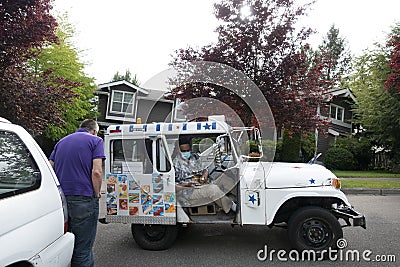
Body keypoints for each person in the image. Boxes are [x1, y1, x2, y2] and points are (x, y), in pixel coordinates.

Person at [49, 119, 105, 267]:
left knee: (67, 243)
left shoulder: (61, 142)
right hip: (84, 198)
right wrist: (97, 193)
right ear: (94, 131)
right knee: (83, 249)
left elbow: (49, 166)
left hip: (61, 199)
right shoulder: (96, 141)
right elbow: (97, 172)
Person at [173, 140, 236, 214]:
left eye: (188, 150)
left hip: (202, 182)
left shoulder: (194, 157)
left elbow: (204, 169)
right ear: (178, 150)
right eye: (183, 151)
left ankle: (241, 201)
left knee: (225, 179)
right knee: (213, 189)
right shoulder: (175, 164)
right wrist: (186, 185)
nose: (186, 153)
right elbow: (173, 186)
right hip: (190, 190)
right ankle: (232, 207)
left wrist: (204, 175)